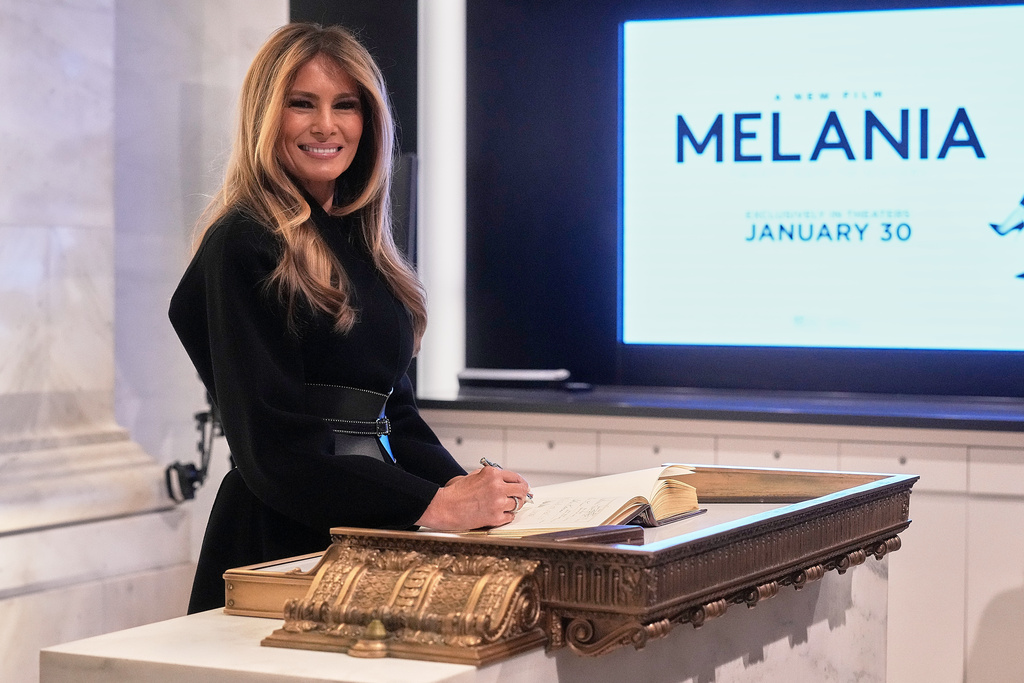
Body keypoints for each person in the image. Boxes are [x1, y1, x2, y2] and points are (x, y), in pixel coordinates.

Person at [169, 22, 530, 614]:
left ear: (370, 122)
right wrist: (435, 505)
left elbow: (395, 418)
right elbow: (273, 449)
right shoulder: (241, 243)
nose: (325, 125)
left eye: (345, 105)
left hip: (376, 532)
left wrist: (467, 492)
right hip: (281, 541)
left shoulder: (366, 249)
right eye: (301, 104)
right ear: (265, 116)